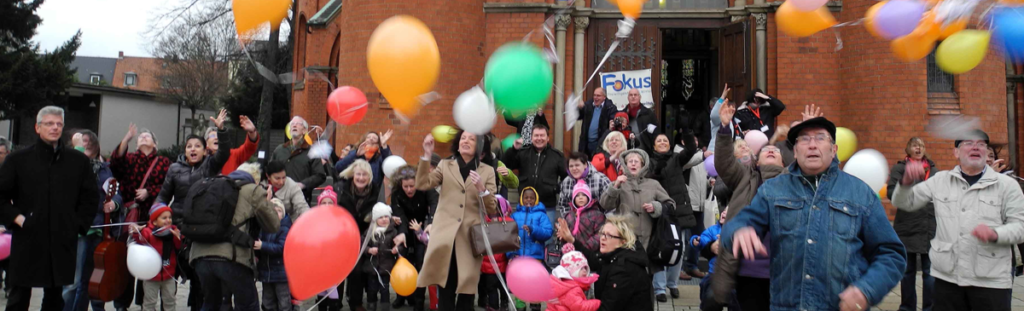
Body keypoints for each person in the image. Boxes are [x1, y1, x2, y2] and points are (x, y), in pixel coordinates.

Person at [722, 116, 907, 311]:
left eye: (820, 138)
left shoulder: (861, 194)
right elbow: (738, 223)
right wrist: (739, 230)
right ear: (794, 151)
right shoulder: (772, 190)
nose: (812, 145)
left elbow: (891, 254)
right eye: (804, 139)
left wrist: (866, 290)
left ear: (833, 149)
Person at [892, 129, 1024, 311]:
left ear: (986, 152)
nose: (975, 147)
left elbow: (1021, 227)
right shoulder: (940, 180)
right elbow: (904, 202)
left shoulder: (1007, 186)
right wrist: (905, 183)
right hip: (948, 280)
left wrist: (995, 234)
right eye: (968, 143)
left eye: (981, 144)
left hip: (991, 281)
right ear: (956, 152)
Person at [0, 106, 99, 311]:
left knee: (55, 298)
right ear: (37, 127)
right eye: (49, 123)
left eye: (59, 124)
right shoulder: (18, 160)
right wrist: (19, 219)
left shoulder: (78, 161)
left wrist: (77, 225)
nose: (54, 128)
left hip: (62, 239)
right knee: (18, 297)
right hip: (27, 238)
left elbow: (90, 197)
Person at [709, 101, 790, 310]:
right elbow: (724, 163)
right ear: (756, 160)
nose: (771, 150)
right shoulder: (745, 176)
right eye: (766, 150)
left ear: (784, 162)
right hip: (748, 272)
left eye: (776, 151)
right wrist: (725, 129)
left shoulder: (794, 181)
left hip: (786, 272)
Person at [155, 109, 233, 311]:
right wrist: (156, 214)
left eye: (197, 146)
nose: (193, 149)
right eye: (189, 146)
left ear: (205, 150)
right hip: (175, 228)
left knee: (200, 278)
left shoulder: (209, 166)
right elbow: (163, 196)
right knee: (170, 275)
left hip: (200, 230)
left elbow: (224, 153)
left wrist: (221, 130)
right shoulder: (174, 169)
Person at [416, 130, 498, 311]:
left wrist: (481, 189)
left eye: (471, 139)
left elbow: (492, 207)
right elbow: (422, 184)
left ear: (479, 147)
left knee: (467, 290)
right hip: (445, 237)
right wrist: (426, 156)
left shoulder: (487, 171)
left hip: (470, 239)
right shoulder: (445, 165)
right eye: (463, 138)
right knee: (445, 288)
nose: (465, 141)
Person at [189, 163, 280, 311]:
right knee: (248, 305)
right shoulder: (252, 189)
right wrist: (267, 202)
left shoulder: (212, 186)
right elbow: (273, 225)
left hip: (200, 256)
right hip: (232, 258)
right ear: (255, 179)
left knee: (211, 303)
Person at [65, 130, 121, 311]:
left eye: (89, 141)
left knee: (94, 278)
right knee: (74, 281)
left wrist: (114, 203)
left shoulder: (104, 168)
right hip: (77, 229)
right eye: (82, 141)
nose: (85, 143)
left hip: (98, 228)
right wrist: (78, 148)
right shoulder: (68, 163)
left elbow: (116, 191)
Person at [554, 216, 653, 311]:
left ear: (623, 242)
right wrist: (571, 240)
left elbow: (608, 307)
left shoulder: (624, 268)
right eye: (602, 233)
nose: (603, 238)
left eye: (609, 235)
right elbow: (592, 259)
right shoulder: (612, 256)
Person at [647, 132, 701, 300]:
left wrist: (687, 130)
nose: (662, 142)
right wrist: (656, 170)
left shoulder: (677, 158)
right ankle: (660, 289)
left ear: (669, 145)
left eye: (665, 140)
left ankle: (673, 284)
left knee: (679, 248)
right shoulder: (648, 161)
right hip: (659, 211)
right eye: (659, 141)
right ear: (654, 146)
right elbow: (648, 181)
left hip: (678, 211)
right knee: (660, 249)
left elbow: (692, 149)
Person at [886, 137, 937, 311]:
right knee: (907, 272)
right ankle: (907, 307)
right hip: (907, 225)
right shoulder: (900, 168)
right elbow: (891, 193)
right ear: (908, 149)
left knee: (930, 272)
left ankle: (929, 308)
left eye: (922, 146)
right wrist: (905, 183)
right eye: (915, 145)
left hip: (929, 225)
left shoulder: (933, 168)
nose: (919, 148)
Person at [333, 159, 384, 311]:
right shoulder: (341, 188)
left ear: (370, 177)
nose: (361, 178)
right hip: (341, 236)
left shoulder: (375, 191)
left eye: (365, 175)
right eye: (358, 174)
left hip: (362, 237)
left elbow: (379, 211)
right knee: (339, 272)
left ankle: (355, 303)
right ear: (352, 175)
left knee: (357, 271)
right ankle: (335, 302)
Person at [600, 149, 673, 249]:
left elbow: (670, 204)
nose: (633, 164)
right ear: (625, 165)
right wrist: (615, 186)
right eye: (630, 162)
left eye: (636, 162)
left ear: (643, 165)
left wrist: (655, 207)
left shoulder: (653, 184)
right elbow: (605, 205)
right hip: (623, 236)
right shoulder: (619, 183)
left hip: (649, 238)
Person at [389, 165, 438, 311]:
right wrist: (402, 232)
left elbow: (435, 202)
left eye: (412, 186)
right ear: (400, 185)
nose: (409, 189)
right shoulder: (397, 193)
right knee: (402, 261)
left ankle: (419, 301)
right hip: (403, 229)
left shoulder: (425, 188)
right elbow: (400, 215)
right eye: (406, 186)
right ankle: (401, 296)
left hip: (421, 229)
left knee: (420, 263)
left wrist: (431, 222)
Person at [110, 123, 172, 228]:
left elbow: (170, 185)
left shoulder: (164, 161)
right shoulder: (129, 158)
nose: (143, 137)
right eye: (140, 136)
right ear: (136, 145)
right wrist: (127, 139)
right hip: (130, 212)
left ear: (155, 144)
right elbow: (116, 161)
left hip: (154, 214)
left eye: (147, 136)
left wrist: (149, 191)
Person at [503, 123, 567, 223]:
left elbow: (566, 177)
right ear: (531, 138)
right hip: (525, 205)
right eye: (536, 135)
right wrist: (514, 150)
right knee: (524, 236)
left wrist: (556, 188)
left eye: (542, 135)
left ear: (548, 138)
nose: (539, 138)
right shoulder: (522, 153)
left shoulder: (557, 156)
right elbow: (506, 164)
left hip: (547, 206)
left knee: (546, 236)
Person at [130, 203, 182, 311]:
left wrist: (178, 238)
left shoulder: (173, 231)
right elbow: (141, 240)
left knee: (170, 301)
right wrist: (136, 232)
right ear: (154, 221)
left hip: (169, 275)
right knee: (150, 302)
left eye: (169, 217)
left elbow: (178, 247)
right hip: (151, 276)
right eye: (164, 218)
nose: (168, 220)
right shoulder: (148, 232)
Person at [691, 208, 738, 311]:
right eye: (724, 210)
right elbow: (703, 239)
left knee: (736, 299)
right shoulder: (713, 230)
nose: (724, 212)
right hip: (715, 272)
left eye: (729, 211)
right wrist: (696, 240)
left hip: (735, 274)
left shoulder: (738, 230)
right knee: (707, 290)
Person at [270, 116, 327, 201]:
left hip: (301, 198)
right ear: (289, 130)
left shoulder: (312, 152)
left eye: (298, 124)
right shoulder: (279, 150)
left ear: (304, 130)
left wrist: (303, 184)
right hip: (279, 199)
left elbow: (320, 176)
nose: (294, 125)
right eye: (292, 124)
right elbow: (270, 171)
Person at [363, 203, 404, 311]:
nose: (384, 219)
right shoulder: (369, 232)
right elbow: (363, 246)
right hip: (372, 269)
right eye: (380, 217)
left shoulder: (393, 232)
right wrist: (369, 250)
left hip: (386, 268)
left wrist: (396, 249)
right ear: (375, 219)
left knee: (385, 290)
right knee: (371, 289)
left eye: (386, 216)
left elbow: (399, 246)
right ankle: (371, 305)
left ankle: (385, 307)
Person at [256, 199, 293, 311]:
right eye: (273, 211)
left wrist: (262, 245)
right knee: (268, 302)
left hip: (281, 274)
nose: (276, 214)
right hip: (266, 273)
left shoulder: (284, 227)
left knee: (284, 302)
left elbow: (282, 248)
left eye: (279, 211)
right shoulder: (264, 227)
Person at [480, 195, 512, 311]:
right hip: (500, 265)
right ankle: (503, 304)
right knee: (498, 288)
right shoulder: (508, 223)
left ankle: (495, 306)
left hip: (489, 265)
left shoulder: (483, 223)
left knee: (492, 288)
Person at [315, 187, 344, 311]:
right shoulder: (315, 220)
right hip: (319, 261)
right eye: (324, 203)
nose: (327, 205)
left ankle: (334, 307)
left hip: (333, 261)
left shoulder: (338, 221)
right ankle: (322, 308)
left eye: (330, 202)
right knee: (321, 287)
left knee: (332, 288)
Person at [558, 152, 611, 216]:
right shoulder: (566, 182)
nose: (574, 169)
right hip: (574, 223)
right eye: (571, 166)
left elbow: (610, 205)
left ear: (585, 165)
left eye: (577, 165)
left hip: (598, 222)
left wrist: (604, 222)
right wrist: (569, 219)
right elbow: (563, 205)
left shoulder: (601, 179)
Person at [508, 187, 554, 262]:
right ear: (521, 199)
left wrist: (533, 229)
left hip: (535, 257)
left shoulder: (541, 215)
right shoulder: (514, 216)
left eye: (532, 198)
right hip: (517, 256)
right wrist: (511, 254)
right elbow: (509, 237)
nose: (529, 199)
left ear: (536, 200)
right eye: (526, 197)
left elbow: (548, 232)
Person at [565, 180, 605, 252]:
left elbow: (600, 234)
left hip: (590, 252)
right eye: (577, 195)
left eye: (583, 195)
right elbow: (565, 233)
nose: (580, 197)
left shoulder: (597, 215)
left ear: (588, 197)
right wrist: (562, 236)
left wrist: (585, 247)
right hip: (571, 252)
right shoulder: (569, 215)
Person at [577, 87, 617, 155]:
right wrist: (580, 108)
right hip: (586, 144)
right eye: (594, 95)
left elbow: (612, 123)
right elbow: (578, 117)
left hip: (600, 143)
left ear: (604, 97)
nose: (595, 97)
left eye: (598, 96)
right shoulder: (588, 105)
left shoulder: (610, 108)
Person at [708, 85, 730, 153]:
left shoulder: (730, 117)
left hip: (728, 150)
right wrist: (722, 97)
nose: (726, 107)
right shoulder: (717, 117)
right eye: (723, 105)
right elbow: (714, 115)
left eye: (726, 105)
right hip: (716, 150)